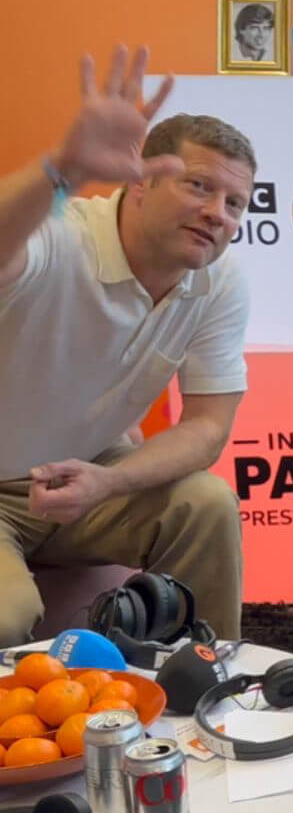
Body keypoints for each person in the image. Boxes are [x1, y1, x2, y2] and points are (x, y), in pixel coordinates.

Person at [0, 46, 253, 645]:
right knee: (7, 615)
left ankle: (201, 692)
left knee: (205, 505)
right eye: (199, 186)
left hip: (83, 471)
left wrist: (107, 481)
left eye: (235, 203)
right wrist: (61, 166)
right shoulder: (62, 240)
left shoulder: (219, 280)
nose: (218, 214)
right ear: (139, 182)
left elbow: (207, 427)